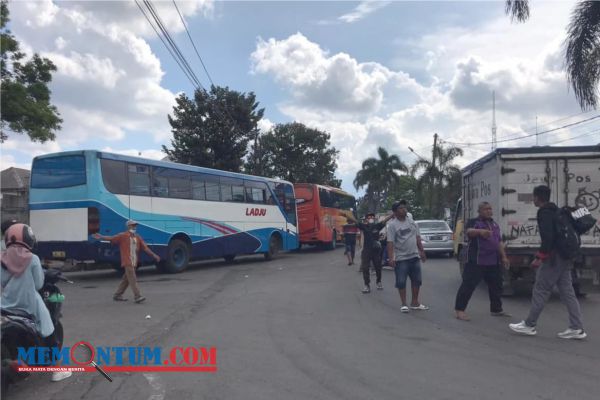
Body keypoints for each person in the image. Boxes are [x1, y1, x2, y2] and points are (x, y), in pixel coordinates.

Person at [509, 185, 586, 339]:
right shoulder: (558, 211)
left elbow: (548, 238)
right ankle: (576, 327)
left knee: (541, 289)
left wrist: (540, 257)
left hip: (554, 257)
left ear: (537, 197)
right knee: (567, 292)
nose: (533, 200)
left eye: (533, 197)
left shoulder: (544, 212)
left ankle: (530, 325)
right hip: (565, 256)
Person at [1, 223, 72, 382]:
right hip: (30, 303)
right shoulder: (32, 258)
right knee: (49, 330)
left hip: (6, 304)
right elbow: (39, 284)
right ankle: (57, 370)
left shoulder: (3, 258)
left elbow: (3, 281)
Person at [454, 202, 511, 321]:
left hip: (493, 261)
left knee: (497, 285)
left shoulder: (494, 224)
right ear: (479, 211)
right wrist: (480, 232)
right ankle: (460, 310)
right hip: (477, 260)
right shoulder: (474, 222)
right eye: (485, 209)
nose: (489, 211)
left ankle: (496, 309)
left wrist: (504, 256)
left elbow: (499, 241)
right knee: (468, 285)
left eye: (490, 209)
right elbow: (469, 231)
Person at [93, 220, 160, 303]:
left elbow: (145, 248)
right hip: (127, 261)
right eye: (132, 226)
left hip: (134, 262)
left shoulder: (137, 237)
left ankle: (117, 295)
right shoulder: (123, 236)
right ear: (128, 227)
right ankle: (137, 296)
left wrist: (154, 255)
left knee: (126, 280)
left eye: (135, 226)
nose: (134, 227)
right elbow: (112, 238)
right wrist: (101, 237)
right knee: (133, 279)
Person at [387, 200, 428, 313]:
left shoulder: (412, 222)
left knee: (417, 280)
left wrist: (422, 251)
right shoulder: (392, 226)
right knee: (401, 281)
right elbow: (390, 242)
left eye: (405, 207)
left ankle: (415, 302)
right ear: (395, 211)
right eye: (401, 208)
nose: (404, 209)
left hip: (414, 256)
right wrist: (391, 258)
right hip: (401, 258)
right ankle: (404, 304)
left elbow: (417, 238)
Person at [347, 212, 393, 293]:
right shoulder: (363, 226)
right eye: (369, 217)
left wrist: (393, 215)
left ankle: (378, 282)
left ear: (374, 218)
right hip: (366, 250)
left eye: (372, 216)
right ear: (366, 219)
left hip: (376, 250)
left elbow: (385, 221)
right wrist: (347, 215)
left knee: (378, 267)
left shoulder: (377, 226)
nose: (371, 218)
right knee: (365, 268)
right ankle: (367, 285)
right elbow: (355, 221)